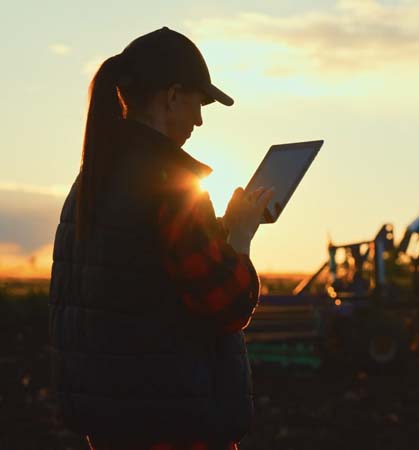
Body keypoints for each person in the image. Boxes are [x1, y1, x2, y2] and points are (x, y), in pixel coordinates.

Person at [49, 27, 274, 450]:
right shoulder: (170, 183)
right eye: (199, 102)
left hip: (112, 429)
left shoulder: (90, 183)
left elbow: (134, 282)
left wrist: (215, 231)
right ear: (172, 96)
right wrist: (240, 237)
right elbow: (227, 304)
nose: (200, 119)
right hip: (176, 427)